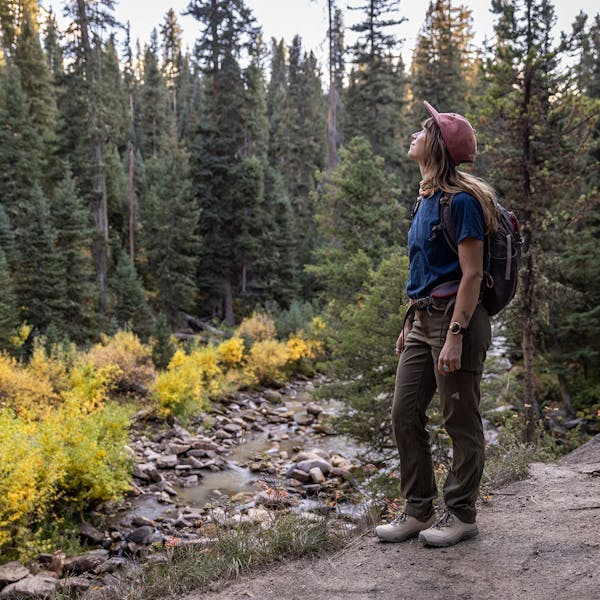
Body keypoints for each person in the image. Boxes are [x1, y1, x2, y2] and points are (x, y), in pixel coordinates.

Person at [375, 101, 498, 547]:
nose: (414, 135)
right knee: (404, 413)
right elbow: (423, 269)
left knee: (459, 420)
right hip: (423, 317)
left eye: (423, 130)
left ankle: (463, 515)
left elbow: (471, 274)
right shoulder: (426, 199)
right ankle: (417, 509)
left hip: (456, 321)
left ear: (439, 147)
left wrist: (455, 336)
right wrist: (411, 319)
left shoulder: (462, 202)